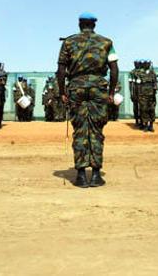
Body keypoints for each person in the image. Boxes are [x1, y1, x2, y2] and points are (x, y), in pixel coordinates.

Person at [57, 12, 119, 188]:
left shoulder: (68, 42)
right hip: (99, 89)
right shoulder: (107, 43)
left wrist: (62, 92)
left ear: (79, 24)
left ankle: (82, 175)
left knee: (80, 130)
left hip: (76, 88)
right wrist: (111, 92)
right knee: (96, 129)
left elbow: (61, 70)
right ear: (94, 25)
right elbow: (114, 70)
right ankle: (97, 175)